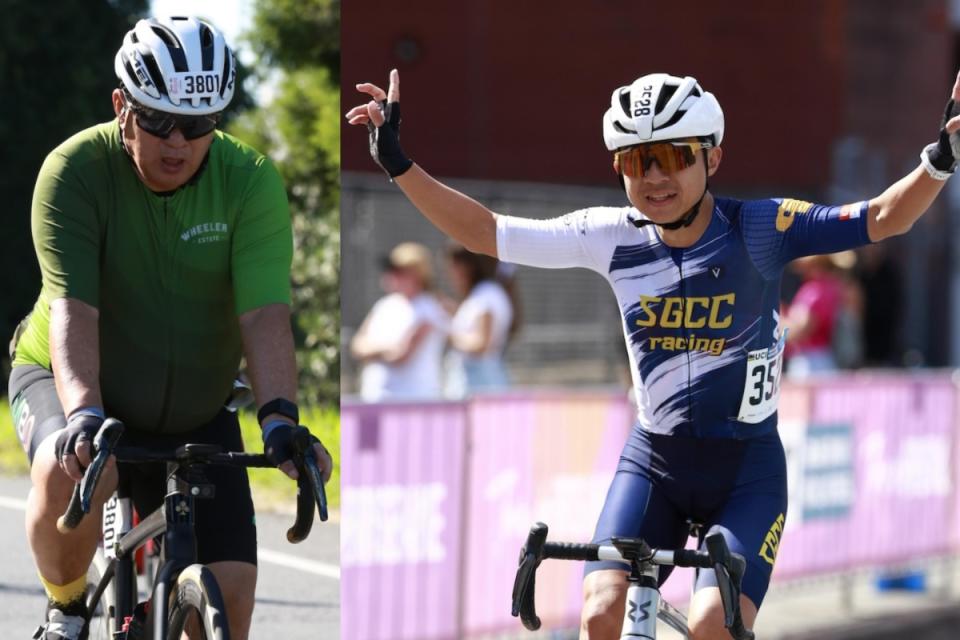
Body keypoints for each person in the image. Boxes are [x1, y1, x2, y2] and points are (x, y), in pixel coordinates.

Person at [347, 68, 960, 639]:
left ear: (712, 157)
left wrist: (941, 159)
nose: (653, 178)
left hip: (746, 470)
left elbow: (882, 216)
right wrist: (399, 164)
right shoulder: (611, 236)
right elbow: (486, 232)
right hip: (655, 464)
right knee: (600, 611)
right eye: (636, 161)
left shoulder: (763, 227)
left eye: (672, 157)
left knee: (712, 624)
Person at [7, 17, 333, 640]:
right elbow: (74, 306)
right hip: (70, 377)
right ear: (120, 107)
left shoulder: (249, 180)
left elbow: (264, 312)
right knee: (75, 470)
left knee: (230, 607)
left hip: (194, 401)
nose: (177, 141)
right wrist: (82, 417)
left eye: (199, 124)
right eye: (158, 120)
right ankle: (66, 608)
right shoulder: (73, 170)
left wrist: (280, 419)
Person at [350, 242, 449, 400]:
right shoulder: (383, 305)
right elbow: (357, 346)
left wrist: (373, 349)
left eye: (399, 271)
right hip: (374, 397)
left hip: (414, 401)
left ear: (416, 274)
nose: (391, 275)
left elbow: (400, 356)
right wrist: (386, 348)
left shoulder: (429, 309)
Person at [443, 245, 518, 397]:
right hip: (476, 384)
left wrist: (447, 334)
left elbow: (480, 344)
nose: (450, 274)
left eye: (453, 266)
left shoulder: (486, 295)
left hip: (480, 386)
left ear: (466, 267)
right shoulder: (483, 295)